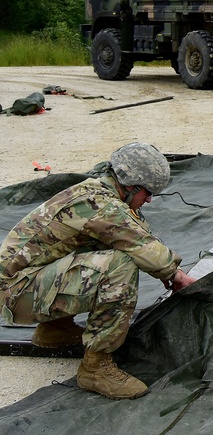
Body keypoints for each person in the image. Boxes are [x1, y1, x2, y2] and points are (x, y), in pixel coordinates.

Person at [0, 142, 195, 400]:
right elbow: (144, 248)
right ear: (129, 186)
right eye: (147, 192)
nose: (149, 199)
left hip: (25, 283)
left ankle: (55, 330)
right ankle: (95, 368)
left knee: (102, 249)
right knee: (119, 265)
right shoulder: (98, 205)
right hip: (16, 294)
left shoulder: (97, 194)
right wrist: (178, 277)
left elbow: (134, 235)